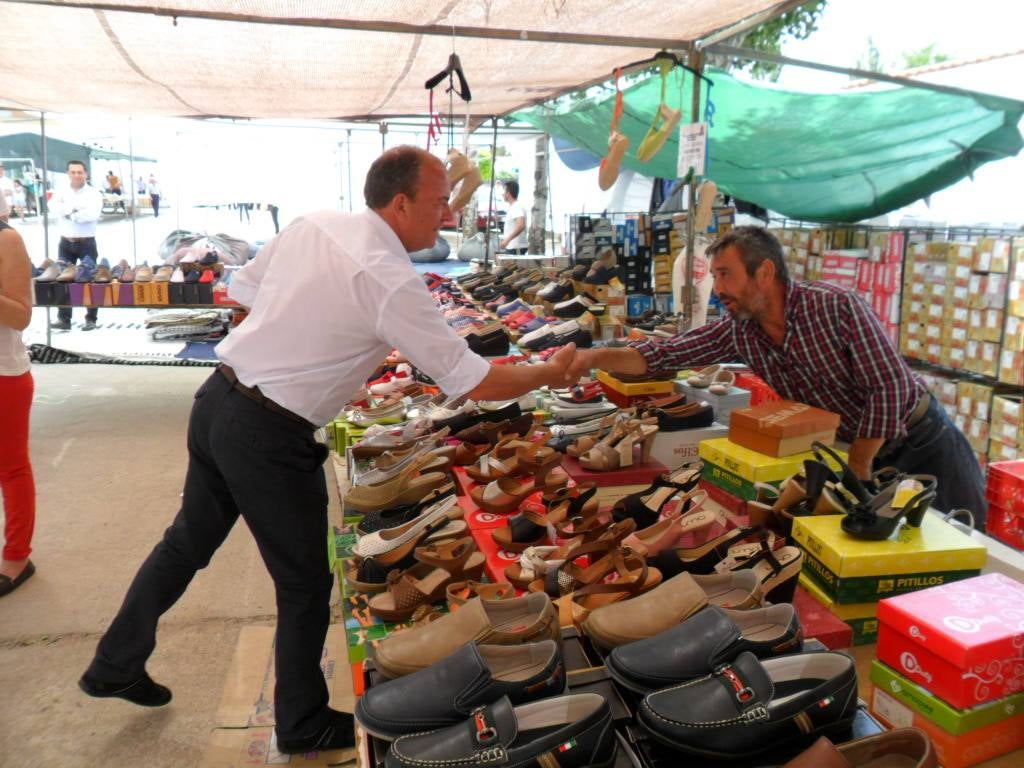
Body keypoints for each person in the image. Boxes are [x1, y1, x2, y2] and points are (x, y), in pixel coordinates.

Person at [79, 146, 580, 754]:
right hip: (270, 432)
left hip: (220, 399)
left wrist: (297, 334)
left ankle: (114, 661)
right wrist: (548, 374)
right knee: (304, 586)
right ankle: (301, 722)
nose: (448, 212)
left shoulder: (315, 223)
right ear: (399, 203)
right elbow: (474, 381)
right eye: (439, 199)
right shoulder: (390, 278)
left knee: (187, 540)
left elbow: (241, 291)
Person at [568, 225, 987, 524]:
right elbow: (665, 353)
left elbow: (889, 386)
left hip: (922, 441)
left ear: (765, 272)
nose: (718, 289)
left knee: (961, 550)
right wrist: (593, 357)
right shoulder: (741, 329)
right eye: (714, 277)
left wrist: (858, 465)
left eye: (726, 274)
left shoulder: (836, 306)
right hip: (860, 452)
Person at [0, 191, 37, 598]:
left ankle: (17, 557)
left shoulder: (6, 240)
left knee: (10, 467)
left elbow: (22, 315)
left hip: (3, 373)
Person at [49, 160, 103, 331]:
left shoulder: (94, 193)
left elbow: (92, 214)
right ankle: (64, 319)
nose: (77, 175)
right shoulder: (61, 191)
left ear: (86, 174)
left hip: (86, 242)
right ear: (68, 173)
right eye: (73, 172)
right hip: (65, 242)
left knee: (89, 281)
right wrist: (74, 209)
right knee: (62, 282)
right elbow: (53, 208)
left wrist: (69, 213)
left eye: (80, 172)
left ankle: (91, 319)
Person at [499, 179, 528, 254]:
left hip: (515, 248)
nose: (502, 194)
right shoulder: (514, 207)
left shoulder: (516, 207)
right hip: (513, 247)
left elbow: (521, 225)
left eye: (503, 192)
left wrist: (507, 240)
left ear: (508, 193)